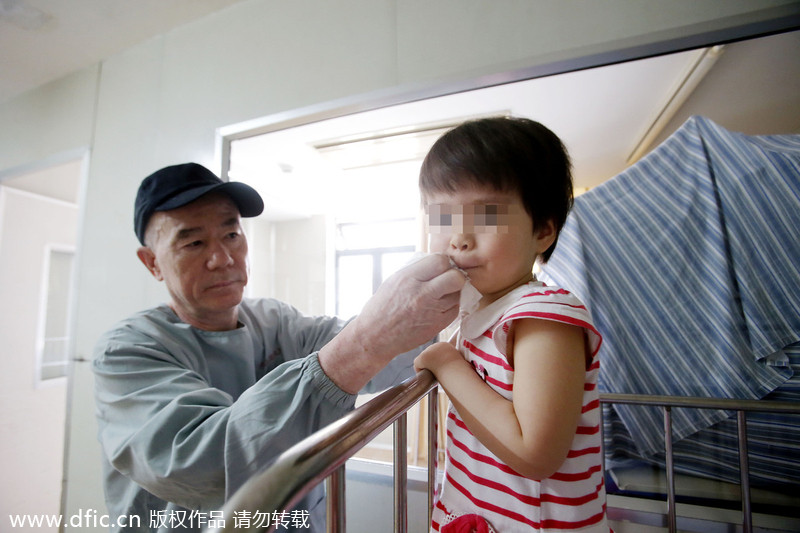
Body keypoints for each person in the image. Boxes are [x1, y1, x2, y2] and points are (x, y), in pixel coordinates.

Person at [92, 162, 466, 532]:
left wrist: (467, 302)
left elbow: (379, 354)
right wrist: (365, 343)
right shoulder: (127, 352)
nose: (222, 258)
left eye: (232, 235)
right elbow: (207, 464)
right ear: (152, 263)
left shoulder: (273, 321)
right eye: (193, 242)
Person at [414, 117, 611, 532]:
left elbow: (535, 452)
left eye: (485, 215)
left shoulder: (544, 315)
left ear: (542, 230)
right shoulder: (475, 313)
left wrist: (447, 364)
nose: (459, 238)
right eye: (443, 215)